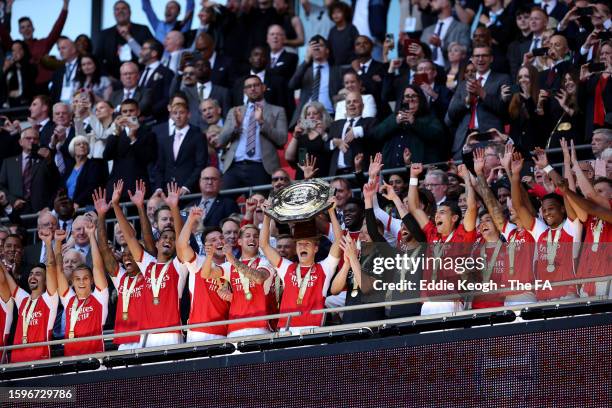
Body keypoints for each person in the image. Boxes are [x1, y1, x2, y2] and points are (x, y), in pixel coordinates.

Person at [113, 180, 187, 347]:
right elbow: (130, 237)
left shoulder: (178, 265)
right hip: (147, 336)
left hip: (171, 334)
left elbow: (183, 241)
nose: (168, 240)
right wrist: (116, 205)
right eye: (165, 237)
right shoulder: (148, 265)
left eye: (173, 239)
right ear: (157, 243)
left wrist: (174, 207)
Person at [260, 197, 342, 335]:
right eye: (299, 244)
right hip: (286, 331)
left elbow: (339, 241)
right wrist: (267, 216)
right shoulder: (287, 267)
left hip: (313, 330)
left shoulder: (324, 268)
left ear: (316, 249)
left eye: (307, 244)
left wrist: (331, 212)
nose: (302, 246)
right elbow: (264, 245)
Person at [188, 210, 276, 337]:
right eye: (247, 236)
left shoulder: (264, 262)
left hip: (260, 328)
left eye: (255, 236)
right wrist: (209, 256)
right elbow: (206, 274)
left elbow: (259, 278)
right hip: (234, 330)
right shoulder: (230, 265)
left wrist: (233, 260)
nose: (252, 238)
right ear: (239, 242)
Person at [407, 162, 477, 315]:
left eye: (443, 212)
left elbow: (472, 208)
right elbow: (414, 208)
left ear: (455, 218)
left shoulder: (463, 235)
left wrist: (466, 178)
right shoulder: (432, 233)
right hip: (427, 304)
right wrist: (413, 177)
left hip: (450, 302)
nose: (437, 215)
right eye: (437, 212)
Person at [511, 148, 580, 301]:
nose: (547, 213)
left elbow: (564, 188)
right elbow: (518, 206)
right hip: (543, 297)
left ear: (562, 209)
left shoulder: (571, 227)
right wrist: (515, 175)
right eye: (544, 210)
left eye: (551, 209)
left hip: (568, 296)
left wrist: (547, 167)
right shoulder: (541, 231)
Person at [92, 187, 145, 350]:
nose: (127, 257)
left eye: (131, 254)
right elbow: (103, 249)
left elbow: (148, 242)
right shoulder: (121, 278)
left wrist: (140, 207)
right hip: (123, 337)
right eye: (125, 255)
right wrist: (101, 216)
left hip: (146, 336)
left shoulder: (149, 273)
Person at [219, 75, 288, 189]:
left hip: (261, 166)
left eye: (256, 85)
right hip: (234, 166)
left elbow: (282, 140)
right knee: (223, 202)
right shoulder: (235, 111)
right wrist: (235, 127)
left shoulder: (278, 111)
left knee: (260, 204)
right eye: (248, 86)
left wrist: (262, 122)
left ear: (263, 87)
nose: (252, 88)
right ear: (244, 91)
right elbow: (221, 141)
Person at [176, 207, 232, 342]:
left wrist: (232, 297)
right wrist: (190, 219)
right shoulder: (198, 262)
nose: (218, 242)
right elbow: (182, 245)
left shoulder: (233, 265)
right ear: (205, 245)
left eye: (221, 238)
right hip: (199, 333)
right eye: (213, 240)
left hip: (226, 332)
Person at [446, 45, 512, 158]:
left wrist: (481, 93)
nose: (480, 59)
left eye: (484, 55)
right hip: (464, 141)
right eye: (477, 56)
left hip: (490, 140)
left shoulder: (502, 79)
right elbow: (451, 114)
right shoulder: (463, 84)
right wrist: (467, 101)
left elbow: (504, 110)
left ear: (491, 58)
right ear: (472, 59)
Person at [3, 228, 58, 362]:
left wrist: (49, 243)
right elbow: (4, 273)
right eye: (31, 274)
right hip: (16, 362)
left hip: (40, 361)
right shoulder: (23, 299)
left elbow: (51, 267)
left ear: (46, 281)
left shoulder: (50, 299)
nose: (33, 276)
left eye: (38, 274)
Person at [54, 222, 108, 357]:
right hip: (71, 360)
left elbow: (97, 266)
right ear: (72, 281)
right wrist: (58, 243)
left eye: (85, 278)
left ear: (92, 280)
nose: (82, 282)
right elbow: (59, 272)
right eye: (78, 279)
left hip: (95, 359)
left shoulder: (100, 297)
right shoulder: (68, 300)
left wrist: (91, 236)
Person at [0, 0, 69, 93]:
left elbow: (57, 29)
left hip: (43, 88)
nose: (26, 29)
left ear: (33, 28)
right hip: (23, 91)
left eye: (29, 26)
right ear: (19, 31)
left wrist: (65, 6)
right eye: (22, 27)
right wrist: (8, 8)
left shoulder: (43, 43)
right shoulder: (16, 47)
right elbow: (4, 34)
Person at [373, 85, 446, 166]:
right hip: (392, 172)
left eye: (414, 96)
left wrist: (414, 123)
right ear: (402, 99)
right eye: (407, 96)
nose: (410, 99)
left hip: (418, 169)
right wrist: (395, 122)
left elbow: (437, 134)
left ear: (420, 99)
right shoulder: (394, 117)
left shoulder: (428, 117)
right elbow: (376, 134)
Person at [104, 99, 157, 201]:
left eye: (131, 110)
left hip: (138, 188)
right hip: (116, 189)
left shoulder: (148, 133)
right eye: (125, 111)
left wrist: (133, 139)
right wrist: (116, 133)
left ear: (138, 112)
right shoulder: (117, 134)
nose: (128, 113)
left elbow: (148, 158)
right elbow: (107, 155)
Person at [0, 126, 60, 214]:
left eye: (35, 139)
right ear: (20, 142)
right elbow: (1, 186)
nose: (32, 141)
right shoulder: (8, 163)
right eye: (28, 138)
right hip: (16, 212)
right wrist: (13, 200)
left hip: (41, 212)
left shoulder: (45, 161)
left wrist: (49, 207)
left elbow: (56, 183)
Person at [153, 102, 207, 195]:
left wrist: (187, 187)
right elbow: (160, 167)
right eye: (175, 113)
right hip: (168, 193)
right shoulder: (165, 141)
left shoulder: (198, 137)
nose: (178, 116)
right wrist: (159, 188)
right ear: (171, 116)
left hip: (190, 193)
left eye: (181, 112)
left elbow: (201, 164)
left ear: (188, 114)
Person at [289, 35, 343, 122]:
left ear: (327, 50)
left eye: (320, 45)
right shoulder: (304, 69)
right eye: (313, 46)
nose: (316, 49)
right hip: (306, 116)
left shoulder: (337, 71)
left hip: (329, 115)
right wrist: (306, 60)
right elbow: (292, 85)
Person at [94, 0, 154, 78]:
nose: (120, 11)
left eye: (123, 8)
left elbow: (152, 52)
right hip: (113, 80)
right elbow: (97, 59)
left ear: (130, 12)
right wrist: (107, 77)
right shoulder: (105, 34)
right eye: (117, 9)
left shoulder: (143, 29)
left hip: (140, 77)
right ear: (114, 13)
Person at [327, 91, 375, 176]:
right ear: (345, 107)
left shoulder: (370, 122)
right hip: (336, 173)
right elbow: (325, 145)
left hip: (359, 172)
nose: (351, 104)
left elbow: (375, 135)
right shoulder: (335, 124)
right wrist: (335, 142)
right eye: (348, 102)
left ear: (362, 106)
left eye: (355, 101)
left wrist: (358, 131)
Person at [285, 101, 332, 179]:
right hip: (302, 177)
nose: (311, 116)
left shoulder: (329, 131)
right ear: (305, 117)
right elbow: (289, 157)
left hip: (322, 177)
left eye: (315, 113)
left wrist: (323, 133)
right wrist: (295, 136)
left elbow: (331, 152)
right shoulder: (302, 136)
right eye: (308, 114)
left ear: (321, 115)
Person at [420, 0, 470, 69]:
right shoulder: (427, 30)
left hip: (451, 73)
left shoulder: (462, 28)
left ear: (446, 2)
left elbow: (465, 50)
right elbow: (420, 55)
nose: (430, 3)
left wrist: (442, 44)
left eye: (434, 0)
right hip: (428, 73)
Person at [62, 135, 107, 209]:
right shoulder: (69, 169)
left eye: (85, 144)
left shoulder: (94, 165)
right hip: (69, 207)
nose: (82, 146)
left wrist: (78, 202)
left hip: (87, 206)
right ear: (73, 149)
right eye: (78, 144)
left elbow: (92, 186)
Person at [508, 64, 542, 152]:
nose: (522, 80)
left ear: (533, 79)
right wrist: (503, 100)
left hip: (535, 151)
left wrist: (528, 100)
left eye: (526, 76)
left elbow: (539, 125)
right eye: (520, 77)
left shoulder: (541, 98)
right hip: (517, 152)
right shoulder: (514, 100)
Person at [138, 39, 175, 120]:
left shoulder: (166, 73)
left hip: (157, 121)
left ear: (154, 53)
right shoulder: (140, 73)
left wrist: (148, 114)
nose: (140, 52)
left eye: (144, 49)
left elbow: (168, 98)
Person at [2, 40, 36, 107]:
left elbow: (29, 80)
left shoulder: (31, 67)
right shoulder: (10, 69)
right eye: (13, 50)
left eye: (19, 49)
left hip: (25, 103)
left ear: (24, 51)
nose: (16, 53)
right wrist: (4, 69)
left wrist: (20, 65)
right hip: (9, 104)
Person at [327, 1, 358, 66]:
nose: (335, 15)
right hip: (336, 67)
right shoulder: (332, 31)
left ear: (345, 13)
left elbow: (357, 47)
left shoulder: (352, 29)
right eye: (333, 13)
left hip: (351, 66)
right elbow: (329, 50)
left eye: (338, 12)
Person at [49, 36, 79, 104]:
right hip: (60, 108)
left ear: (73, 49)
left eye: (63, 48)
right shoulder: (58, 70)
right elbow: (54, 93)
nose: (60, 51)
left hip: (78, 106)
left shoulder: (83, 65)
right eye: (59, 49)